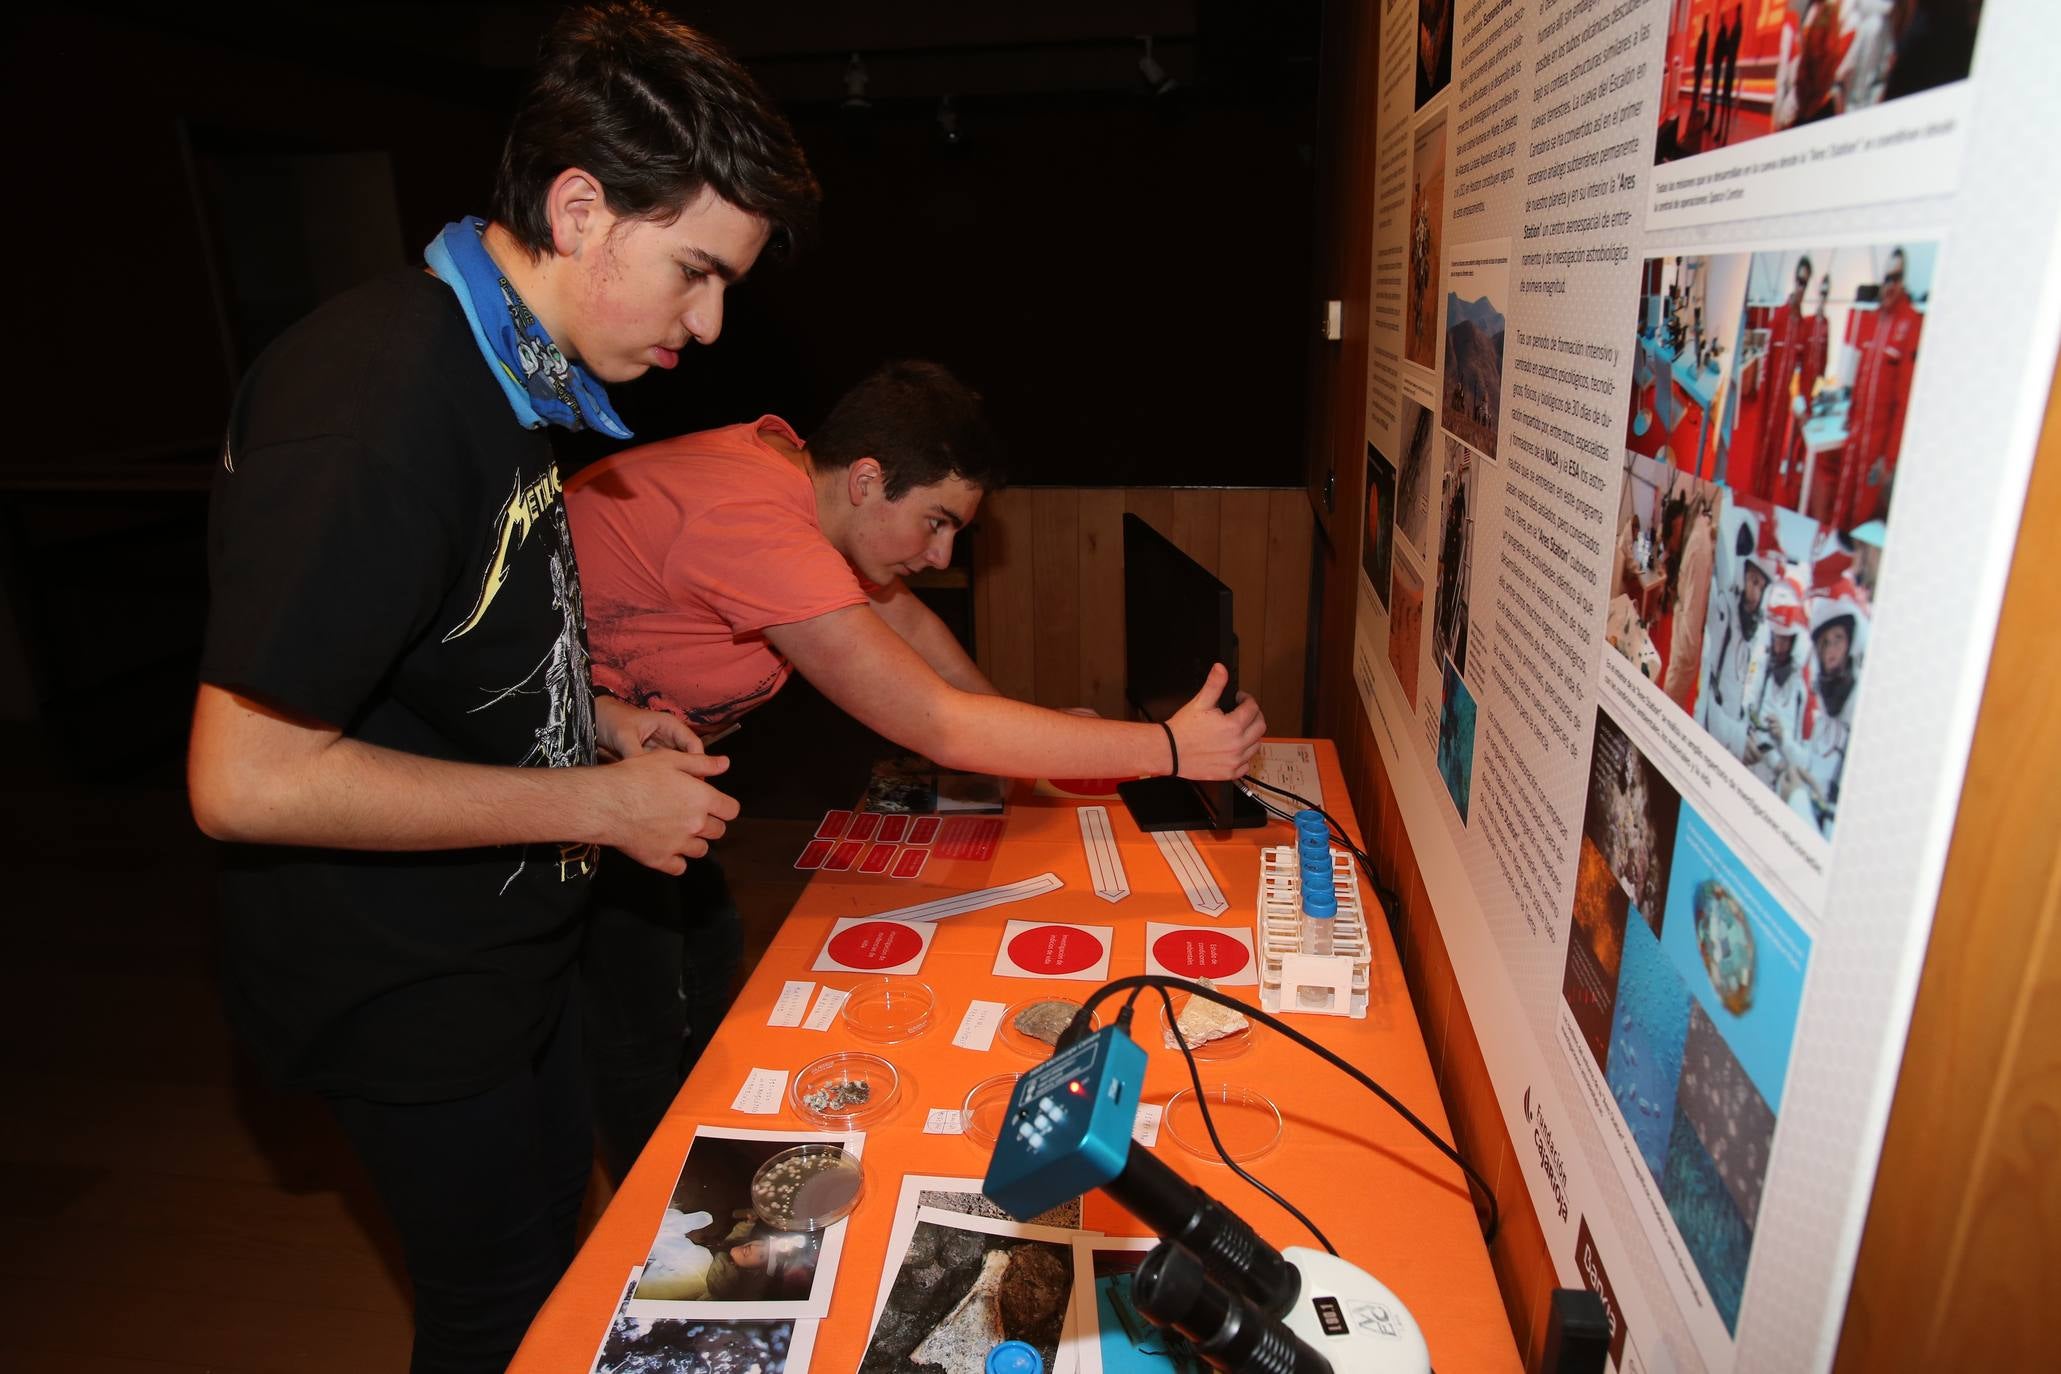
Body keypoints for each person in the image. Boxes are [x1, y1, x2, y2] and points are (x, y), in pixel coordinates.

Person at [184, 6, 818, 1369]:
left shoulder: (506, 367)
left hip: (507, 943)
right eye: (696, 273)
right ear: (582, 208)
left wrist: (593, 721)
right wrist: (599, 802)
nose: (708, 326)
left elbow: (442, 647)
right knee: (500, 1308)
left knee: (558, 1251)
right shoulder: (378, 404)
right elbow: (242, 778)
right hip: (400, 978)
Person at [565, 363, 1267, 1163]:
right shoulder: (759, 527)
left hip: (630, 759)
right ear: (866, 478)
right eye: (935, 522)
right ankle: (650, 1208)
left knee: (711, 945)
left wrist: (1024, 744)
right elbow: (938, 725)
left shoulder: (798, 478)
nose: (940, 555)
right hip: (555, 784)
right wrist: (1172, 748)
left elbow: (909, 627)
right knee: (639, 1019)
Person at [1831, 247, 1922, 529]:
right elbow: (1860, 378)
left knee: (1864, 510)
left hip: (1878, 444)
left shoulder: (1911, 324)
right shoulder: (1873, 321)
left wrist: (1890, 457)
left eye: (1896, 278)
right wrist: (1849, 416)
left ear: (1903, 281)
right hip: (1857, 432)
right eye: (1887, 278)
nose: (1890, 285)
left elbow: (1905, 402)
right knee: (1842, 499)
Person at [1785, 588, 1867, 836]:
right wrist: (1783, 743)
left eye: (1838, 640)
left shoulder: (1858, 724)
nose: (1830, 651)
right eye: (1824, 643)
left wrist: (1797, 798)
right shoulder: (1825, 721)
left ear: (1851, 643)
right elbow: (1812, 768)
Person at [1696, 534, 1773, 757]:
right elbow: (1707, 689)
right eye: (1753, 581)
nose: (1755, 593)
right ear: (1742, 576)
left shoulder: (1749, 635)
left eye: (1761, 586)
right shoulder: (1724, 611)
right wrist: (1735, 737)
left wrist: (1742, 731)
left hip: (1725, 743)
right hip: (1708, 737)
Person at [1751, 256, 1813, 501]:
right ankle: (1755, 490)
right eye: (1799, 280)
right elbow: (1765, 361)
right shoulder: (1778, 317)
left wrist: (1803, 399)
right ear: (1793, 280)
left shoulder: (1804, 327)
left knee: (1776, 451)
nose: (1800, 287)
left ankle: (1765, 494)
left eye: (1804, 283)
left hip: (1783, 402)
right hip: (1766, 399)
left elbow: (1805, 370)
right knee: (1759, 451)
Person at [1741, 579, 1810, 789]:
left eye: (1785, 641)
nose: (1780, 647)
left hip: (1780, 784)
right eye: (1776, 638)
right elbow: (1747, 708)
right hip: (1754, 770)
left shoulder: (1801, 689)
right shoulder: (1762, 663)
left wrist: (1784, 738)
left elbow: (1803, 754)